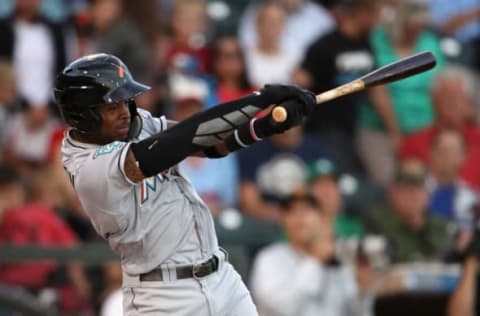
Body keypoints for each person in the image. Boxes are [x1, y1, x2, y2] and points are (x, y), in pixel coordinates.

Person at [54, 53, 316, 315]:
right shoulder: (89, 168)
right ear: (84, 117)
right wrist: (260, 99)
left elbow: (208, 144)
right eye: (112, 108)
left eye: (126, 102)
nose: (125, 113)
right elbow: (182, 140)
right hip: (165, 296)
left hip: (222, 278)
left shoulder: (131, 124)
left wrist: (263, 126)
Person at [357, 0, 445, 184]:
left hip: (422, 130)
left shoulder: (430, 42)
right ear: (401, 22)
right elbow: (377, 89)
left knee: (421, 183)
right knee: (387, 182)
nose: (417, 29)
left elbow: (440, 85)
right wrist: (395, 133)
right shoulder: (377, 39)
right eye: (412, 24)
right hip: (380, 130)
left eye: (421, 25)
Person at [294, 0, 379, 174]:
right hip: (324, 125)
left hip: (352, 122)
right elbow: (302, 79)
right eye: (374, 14)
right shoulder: (324, 45)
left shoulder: (365, 43)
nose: (377, 21)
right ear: (361, 13)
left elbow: (375, 87)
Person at [250, 191, 363, 316]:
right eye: (292, 211)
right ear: (283, 221)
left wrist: (363, 283)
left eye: (307, 210)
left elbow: (356, 310)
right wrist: (315, 261)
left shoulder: (336, 260)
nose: (300, 217)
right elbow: (282, 309)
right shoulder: (268, 258)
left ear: (322, 220)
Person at [400, 65, 480, 191]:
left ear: (469, 103)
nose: (453, 104)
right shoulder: (414, 143)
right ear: (433, 101)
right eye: (447, 98)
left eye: (459, 98)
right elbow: (408, 188)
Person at [364, 159, 451, 263]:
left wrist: (422, 225)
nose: (413, 196)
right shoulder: (376, 220)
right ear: (392, 192)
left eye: (418, 189)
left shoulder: (438, 223)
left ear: (428, 196)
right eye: (406, 189)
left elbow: (444, 257)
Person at [243, 1, 302, 87]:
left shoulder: (294, 59)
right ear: (257, 24)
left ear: (284, 26)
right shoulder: (243, 54)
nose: (271, 27)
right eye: (267, 22)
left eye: (276, 23)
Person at [427, 129, 478, 229]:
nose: (447, 157)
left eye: (453, 152)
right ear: (431, 153)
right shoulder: (415, 189)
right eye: (442, 151)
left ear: (464, 157)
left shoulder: (471, 197)